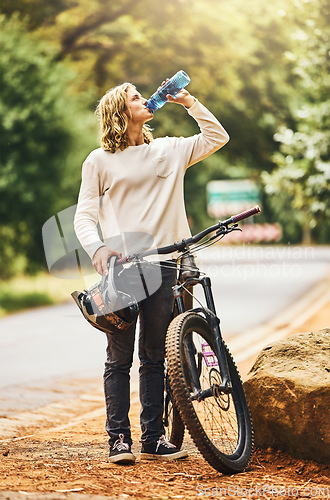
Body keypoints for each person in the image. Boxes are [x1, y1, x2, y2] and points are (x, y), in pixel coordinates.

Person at [74, 79, 229, 465]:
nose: (147, 100)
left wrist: (189, 101)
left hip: (164, 263)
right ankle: (118, 440)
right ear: (119, 112)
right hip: (124, 269)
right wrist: (97, 248)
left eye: (145, 95)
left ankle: (153, 438)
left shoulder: (170, 149)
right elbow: (84, 215)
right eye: (136, 97)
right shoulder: (99, 160)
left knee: (155, 355)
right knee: (119, 357)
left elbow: (217, 136)